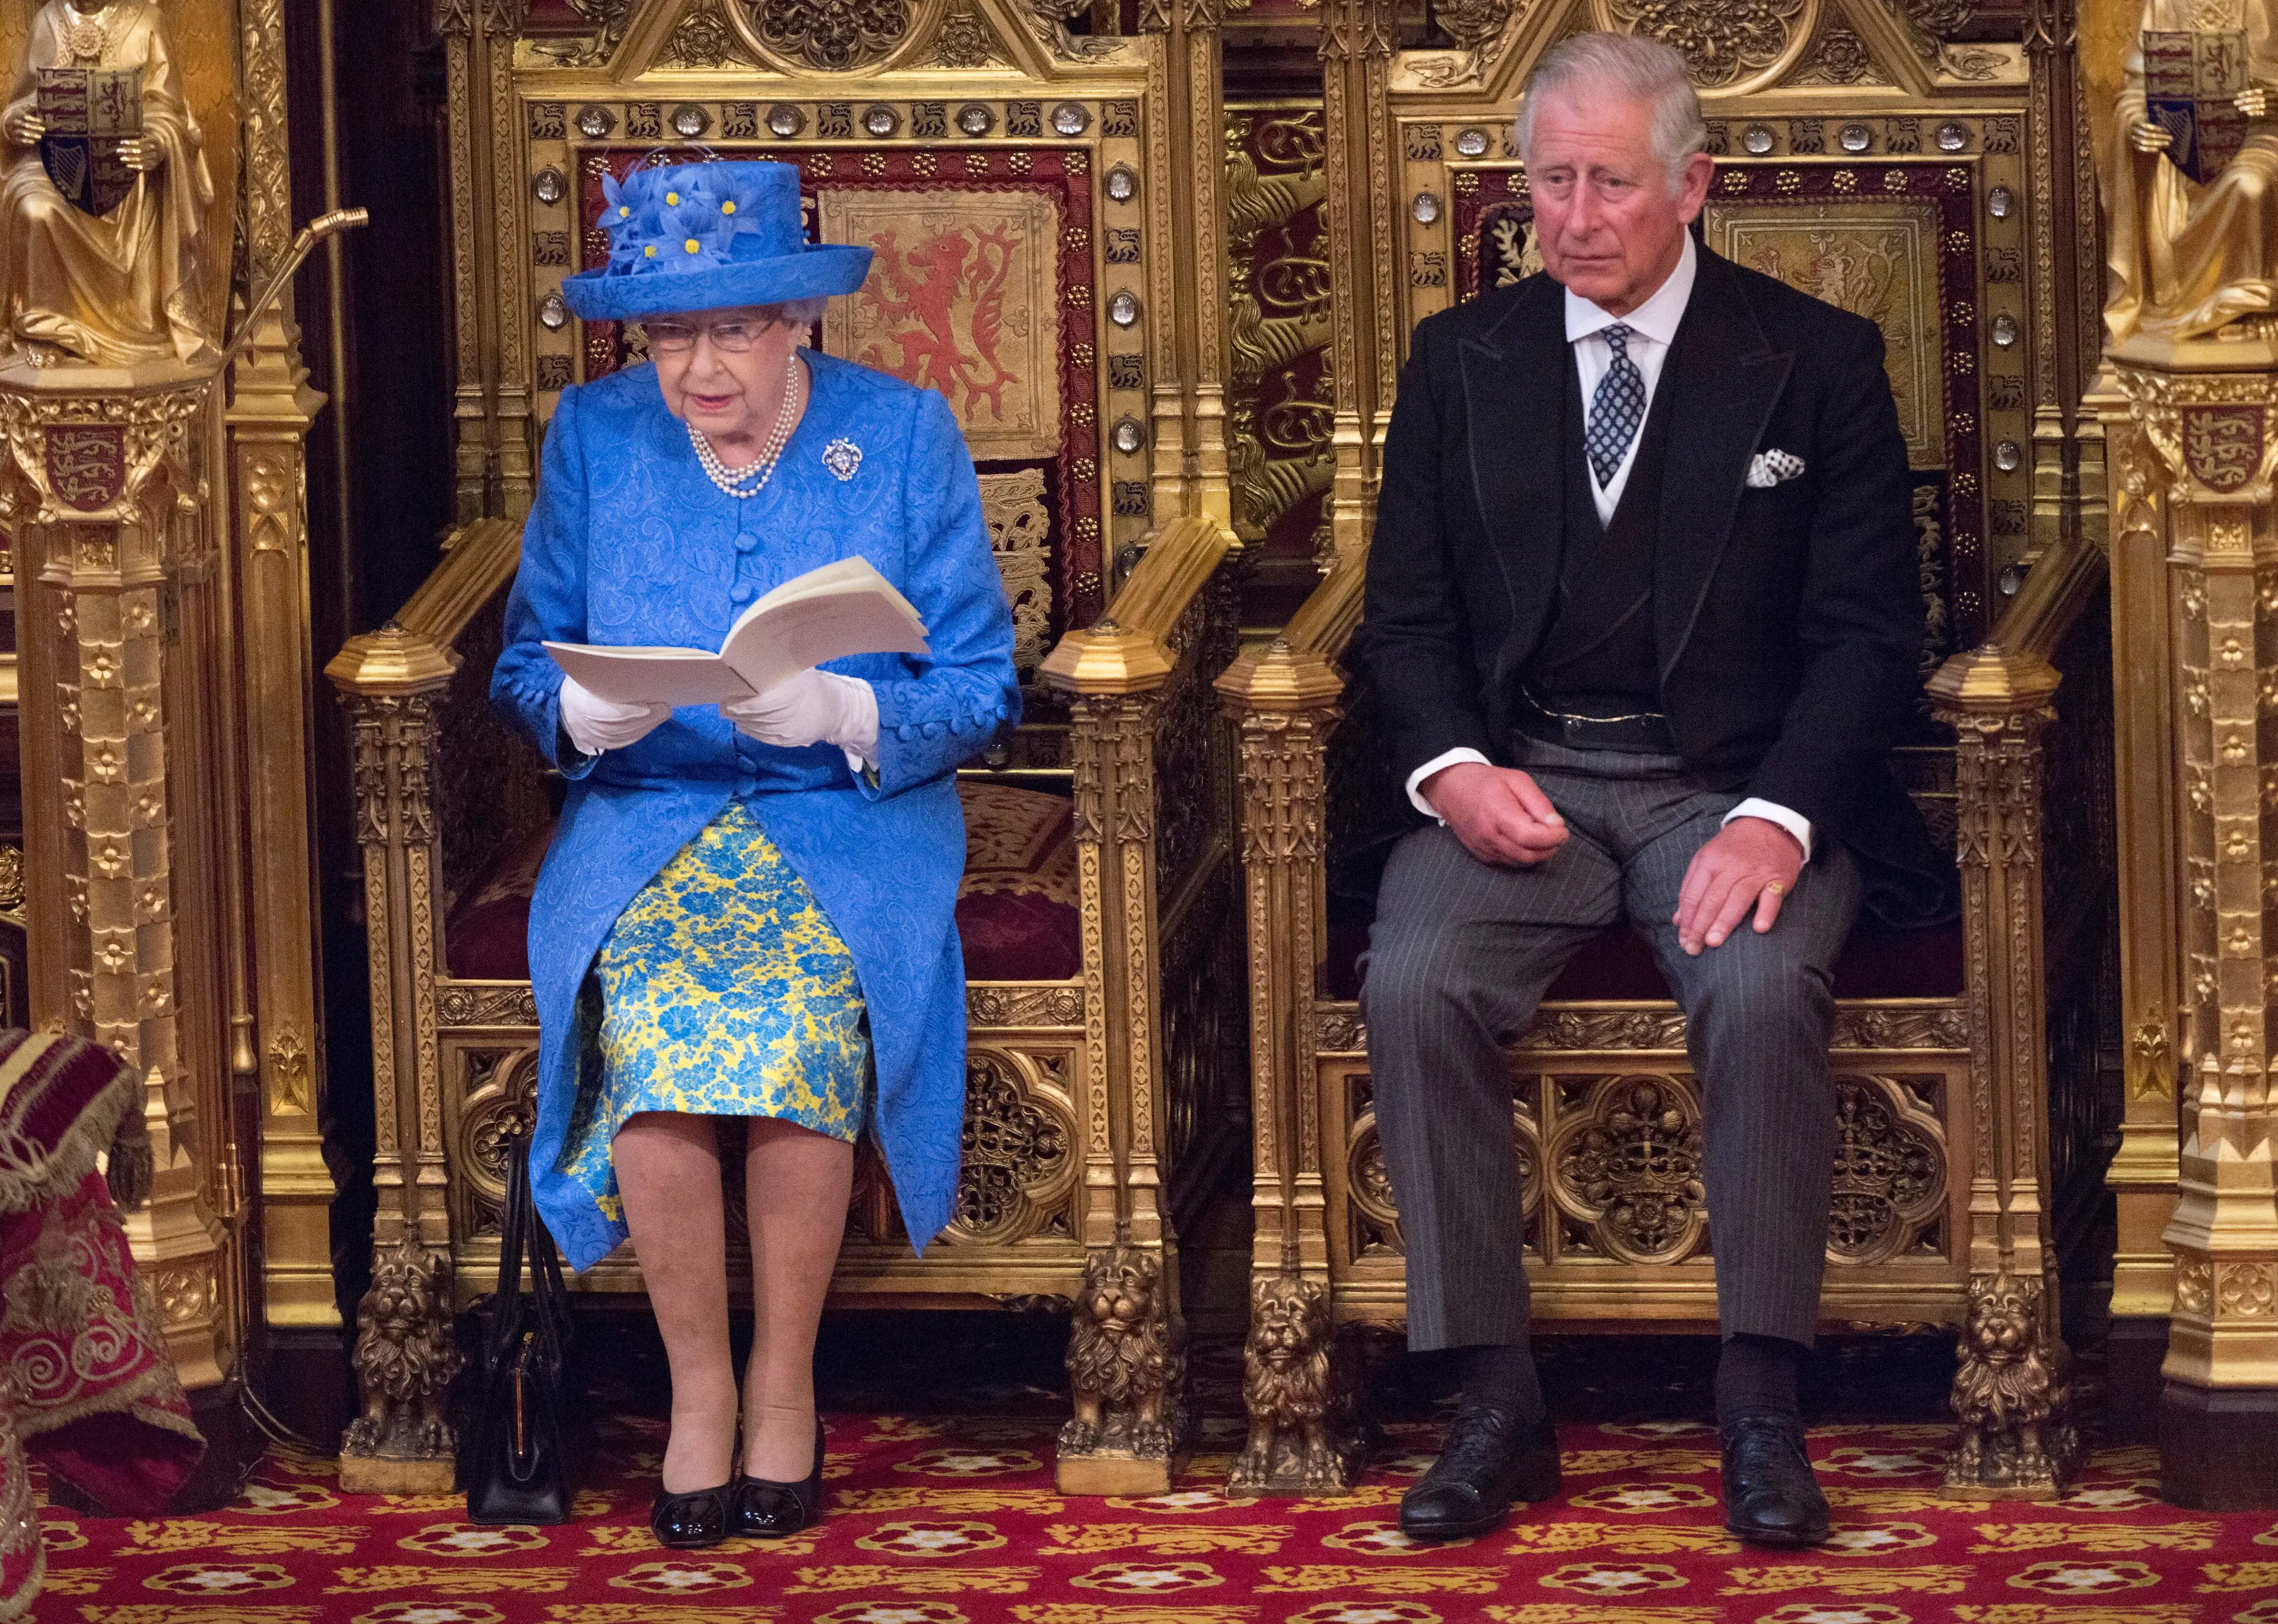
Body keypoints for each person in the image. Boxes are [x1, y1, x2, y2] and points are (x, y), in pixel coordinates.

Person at [1355, 32, 1948, 1548]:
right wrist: (1449, 771)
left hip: (1729, 788)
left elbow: (1872, 635)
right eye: (1546, 180)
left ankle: (1758, 1402)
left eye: (1606, 180)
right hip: (1523, 786)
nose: (1570, 215)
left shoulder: (1812, 363)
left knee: (1753, 989)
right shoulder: (1458, 359)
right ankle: (1493, 1402)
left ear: (1690, 184)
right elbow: (1405, 621)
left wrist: (1776, 817)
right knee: (1412, 977)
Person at [492, 159, 1019, 1549]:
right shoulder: (592, 437)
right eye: (668, 338)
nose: (696, 369)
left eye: (730, 331)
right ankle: (699, 1394)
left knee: (795, 1034)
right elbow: (521, 662)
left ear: (798, 323)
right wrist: (579, 710)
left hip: (843, 825)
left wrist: (847, 708)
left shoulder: (900, 435)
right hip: (646, 823)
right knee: (657, 1040)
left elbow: (979, 682)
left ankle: (786, 1381)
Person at [0, 0, 214, 364]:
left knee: (140, 190)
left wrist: (158, 142)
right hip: (56, 166)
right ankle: (45, 329)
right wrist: (14, 123)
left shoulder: (147, 21)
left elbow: (172, 110)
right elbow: (22, 102)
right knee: (30, 205)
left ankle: (138, 325)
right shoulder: (48, 21)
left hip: (127, 173)